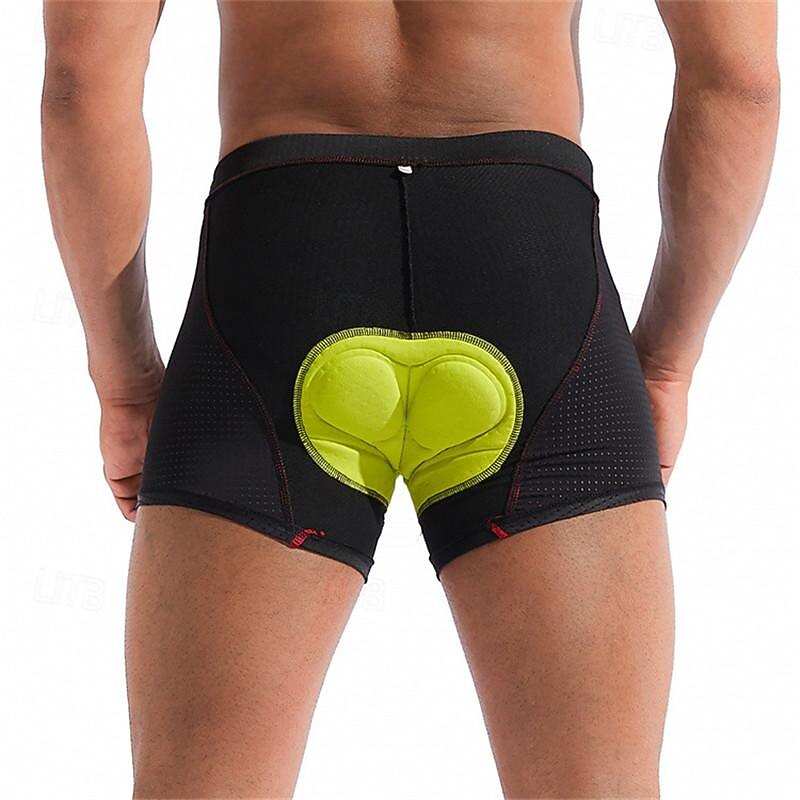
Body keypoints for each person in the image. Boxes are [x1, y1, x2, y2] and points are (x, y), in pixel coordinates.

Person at [41, 1, 779, 797]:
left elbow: (82, 85)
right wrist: (666, 361)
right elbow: (739, 83)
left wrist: (126, 382)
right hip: (531, 277)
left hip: (277, 274)